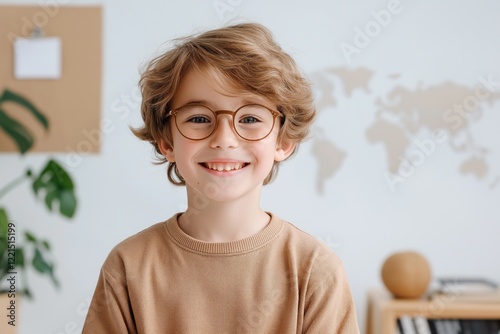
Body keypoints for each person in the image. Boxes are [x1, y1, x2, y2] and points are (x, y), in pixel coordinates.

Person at [82, 22, 359, 333]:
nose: (224, 138)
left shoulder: (315, 271)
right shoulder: (127, 267)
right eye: (199, 118)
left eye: (251, 118)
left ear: (283, 141)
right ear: (167, 141)